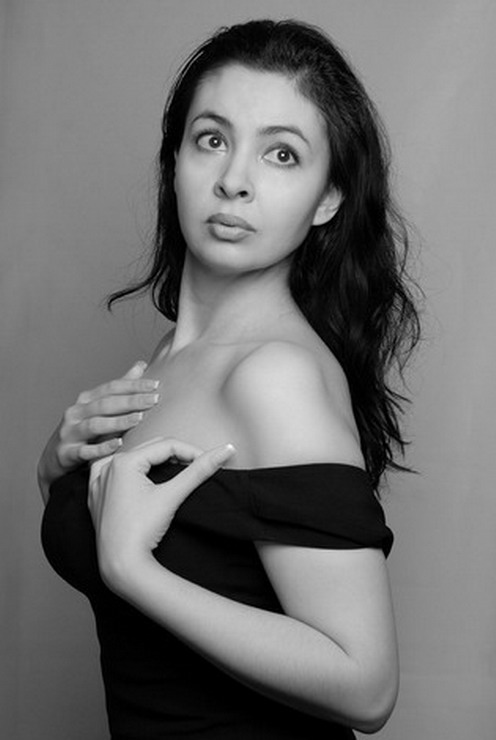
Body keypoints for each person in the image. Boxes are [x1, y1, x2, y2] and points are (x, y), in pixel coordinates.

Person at [39, 19, 420, 739]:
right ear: (174, 162)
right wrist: (57, 464)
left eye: (282, 154)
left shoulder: (275, 376)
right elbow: (122, 536)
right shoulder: (168, 358)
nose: (234, 181)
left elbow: (367, 688)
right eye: (212, 140)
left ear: (328, 199)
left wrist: (135, 572)